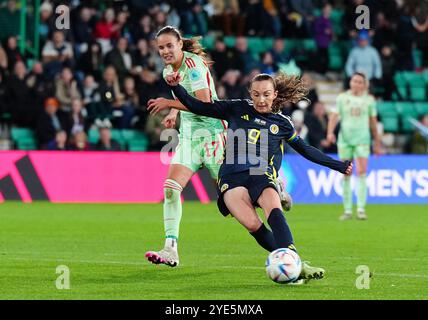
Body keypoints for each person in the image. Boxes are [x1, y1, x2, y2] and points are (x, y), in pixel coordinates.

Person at [163, 71, 353, 282]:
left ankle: (291, 259)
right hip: (231, 176)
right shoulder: (236, 108)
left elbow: (306, 149)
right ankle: (297, 265)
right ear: (250, 94)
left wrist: (338, 165)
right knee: (254, 225)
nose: (261, 100)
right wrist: (177, 88)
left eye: (266, 94)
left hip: (259, 173)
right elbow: (199, 106)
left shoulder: (282, 123)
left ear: (274, 95)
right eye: (256, 94)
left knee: (274, 210)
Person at [144, 26, 228, 267]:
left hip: (212, 135)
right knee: (170, 188)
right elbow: (186, 97)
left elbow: (203, 103)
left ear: (180, 44)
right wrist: (173, 111)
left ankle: (273, 187)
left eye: (170, 45)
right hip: (190, 136)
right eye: (161, 48)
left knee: (233, 201)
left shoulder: (193, 67)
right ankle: (170, 248)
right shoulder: (168, 71)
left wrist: (168, 103)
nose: (165, 51)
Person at [327, 72, 381, 221]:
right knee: (346, 172)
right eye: (354, 81)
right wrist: (330, 132)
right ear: (350, 82)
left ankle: (361, 208)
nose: (356, 83)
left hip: (362, 140)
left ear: (364, 85)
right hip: (345, 140)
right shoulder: (342, 98)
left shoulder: (369, 100)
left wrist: (377, 142)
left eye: (359, 82)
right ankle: (348, 210)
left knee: (362, 172)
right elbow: (334, 116)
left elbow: (373, 122)